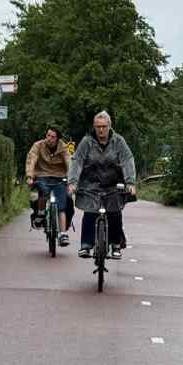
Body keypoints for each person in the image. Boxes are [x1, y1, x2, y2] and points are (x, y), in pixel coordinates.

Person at [67, 111, 137, 260]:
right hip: (90, 183)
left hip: (113, 183)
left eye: (104, 126)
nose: (101, 130)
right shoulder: (87, 142)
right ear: (94, 127)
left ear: (109, 126)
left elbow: (127, 159)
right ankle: (86, 245)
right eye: (98, 127)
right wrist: (73, 182)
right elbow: (77, 161)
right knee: (90, 212)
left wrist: (130, 182)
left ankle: (115, 245)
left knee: (115, 212)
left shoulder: (118, 141)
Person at [25, 126, 71, 246]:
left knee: (62, 205)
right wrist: (30, 176)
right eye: (48, 136)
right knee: (43, 192)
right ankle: (40, 213)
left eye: (53, 137)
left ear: (58, 139)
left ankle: (63, 234)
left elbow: (69, 162)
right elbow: (32, 159)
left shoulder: (63, 147)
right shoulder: (38, 145)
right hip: (42, 175)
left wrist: (72, 179)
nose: (49, 139)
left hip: (59, 177)